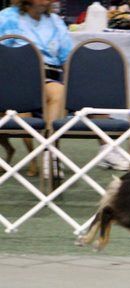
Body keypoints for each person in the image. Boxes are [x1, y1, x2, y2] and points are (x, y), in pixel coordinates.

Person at [0, 0, 72, 176]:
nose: (47, 1)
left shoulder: (55, 21)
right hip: (14, 77)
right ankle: (33, 159)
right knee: (21, 107)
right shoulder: (6, 18)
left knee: (59, 92)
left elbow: (66, 57)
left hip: (49, 76)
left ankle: (49, 154)